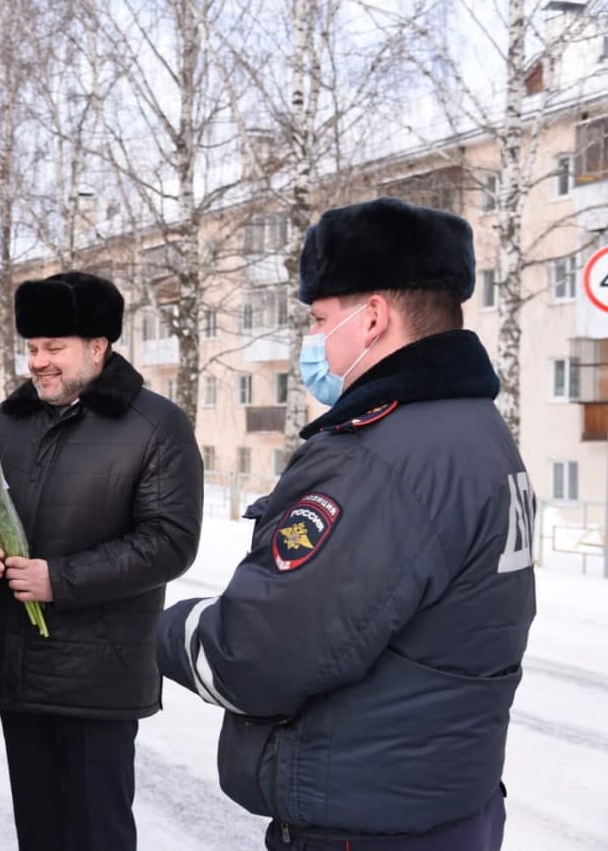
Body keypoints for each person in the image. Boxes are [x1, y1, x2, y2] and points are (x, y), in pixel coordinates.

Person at [156, 197, 537, 851]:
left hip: (369, 822)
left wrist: (164, 629)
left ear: (374, 318)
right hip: (446, 804)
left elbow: (259, 652)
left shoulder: (380, 456)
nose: (312, 338)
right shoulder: (478, 431)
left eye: (320, 317)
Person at [0, 271, 204, 851]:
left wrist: (59, 580)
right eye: (33, 348)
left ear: (99, 347)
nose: (37, 363)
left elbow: (170, 540)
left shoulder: (155, 425)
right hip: (16, 669)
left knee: (98, 833)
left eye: (53, 349)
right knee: (39, 832)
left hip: (98, 680)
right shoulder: (5, 421)